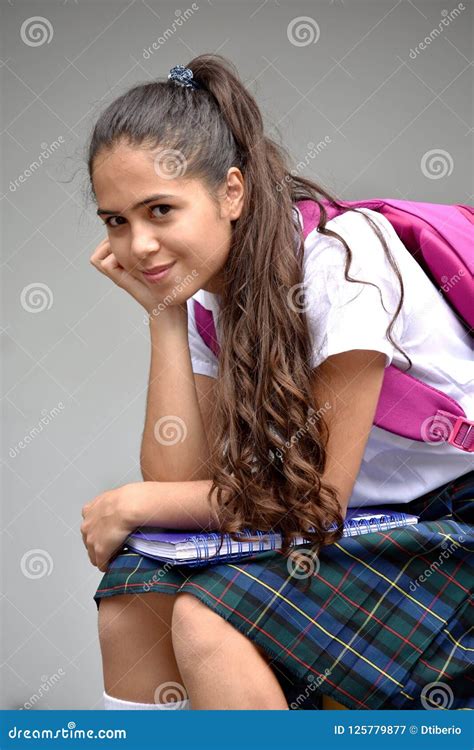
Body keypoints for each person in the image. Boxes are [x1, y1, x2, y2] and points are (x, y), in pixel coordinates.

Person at [80, 54, 473, 711]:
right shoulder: (210, 302)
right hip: (375, 531)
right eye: (117, 221)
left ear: (231, 192)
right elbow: (181, 481)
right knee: (134, 592)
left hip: (452, 533)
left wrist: (133, 504)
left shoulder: (342, 261)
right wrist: (165, 319)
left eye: (159, 210)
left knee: (210, 616)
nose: (138, 244)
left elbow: (315, 502)